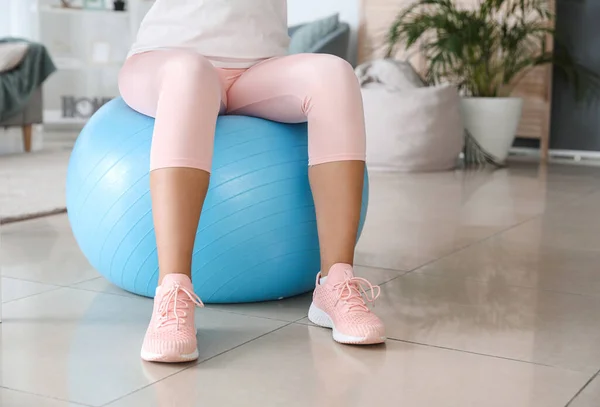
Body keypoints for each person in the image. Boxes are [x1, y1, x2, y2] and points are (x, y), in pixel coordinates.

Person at [119, 0, 385, 363]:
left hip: (259, 68)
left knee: (334, 74)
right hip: (165, 60)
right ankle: (173, 291)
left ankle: (336, 283)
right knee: (189, 72)